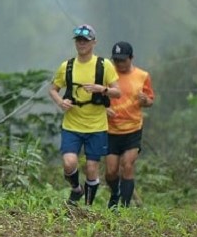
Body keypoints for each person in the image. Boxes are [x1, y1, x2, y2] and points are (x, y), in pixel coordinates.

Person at [48, 24, 120, 206]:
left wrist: (101, 89)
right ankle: (76, 189)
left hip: (96, 125)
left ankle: (87, 207)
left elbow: (117, 92)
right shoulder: (67, 66)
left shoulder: (104, 65)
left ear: (93, 42)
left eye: (85, 41)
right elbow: (53, 90)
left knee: (91, 167)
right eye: (78, 40)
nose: (82, 44)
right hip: (72, 124)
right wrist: (60, 102)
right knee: (69, 162)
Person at [105, 41, 154, 209]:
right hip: (111, 130)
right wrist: (105, 109)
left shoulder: (142, 76)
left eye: (123, 60)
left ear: (131, 58)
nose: (119, 64)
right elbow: (98, 98)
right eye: (116, 60)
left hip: (133, 129)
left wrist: (145, 100)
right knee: (111, 172)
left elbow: (150, 100)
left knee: (127, 164)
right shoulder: (107, 75)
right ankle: (115, 194)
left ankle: (125, 207)